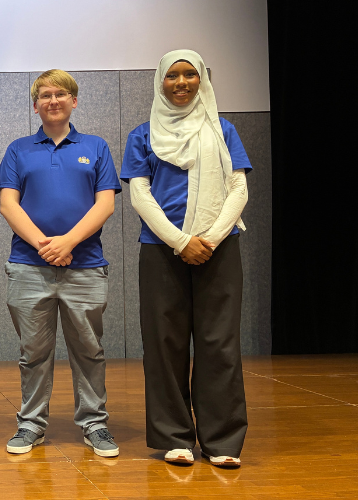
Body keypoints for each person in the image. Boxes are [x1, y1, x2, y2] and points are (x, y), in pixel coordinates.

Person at [121, 49, 250, 468]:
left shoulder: (223, 129)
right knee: (164, 344)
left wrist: (208, 239)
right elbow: (139, 194)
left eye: (189, 75)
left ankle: (222, 441)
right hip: (162, 250)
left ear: (202, 81)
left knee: (219, 344)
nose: (181, 83)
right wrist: (180, 241)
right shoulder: (143, 134)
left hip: (218, 249)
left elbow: (238, 189)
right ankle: (174, 437)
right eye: (172, 75)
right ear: (160, 82)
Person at [0, 69, 122, 458]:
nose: (53, 101)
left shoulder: (96, 147)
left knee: (89, 350)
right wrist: (45, 245)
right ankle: (31, 424)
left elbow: (105, 204)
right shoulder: (19, 149)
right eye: (45, 95)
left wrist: (68, 242)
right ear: (36, 106)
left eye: (61, 94)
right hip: (29, 267)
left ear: (74, 101)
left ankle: (95, 423)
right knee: (33, 353)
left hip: (85, 266)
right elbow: (8, 204)